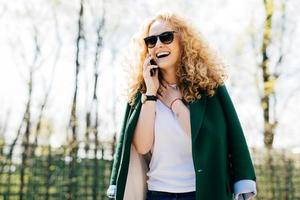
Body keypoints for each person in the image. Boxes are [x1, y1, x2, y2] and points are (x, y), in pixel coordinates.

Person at [107, 12, 257, 200]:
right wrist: (151, 95)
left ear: (183, 41)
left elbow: (207, 137)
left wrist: (175, 103)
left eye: (166, 37)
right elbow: (142, 147)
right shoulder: (144, 91)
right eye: (151, 41)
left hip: (201, 194)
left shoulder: (209, 87)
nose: (158, 44)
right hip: (157, 194)